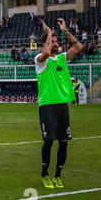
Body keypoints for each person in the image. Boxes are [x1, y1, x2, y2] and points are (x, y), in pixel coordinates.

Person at [35, 19, 82, 189]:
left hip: (62, 106)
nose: (55, 44)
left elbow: (78, 48)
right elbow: (46, 53)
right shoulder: (40, 60)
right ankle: (44, 175)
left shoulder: (61, 58)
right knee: (49, 141)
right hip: (47, 106)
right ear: (45, 43)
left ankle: (57, 175)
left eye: (56, 41)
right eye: (52, 41)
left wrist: (65, 32)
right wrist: (48, 33)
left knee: (63, 141)